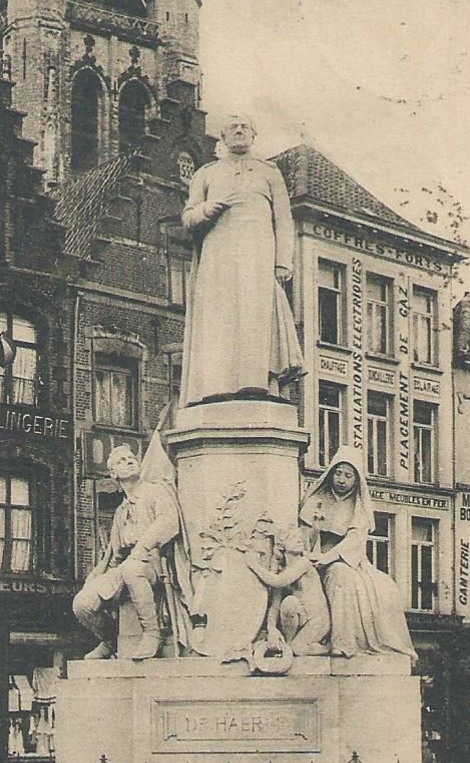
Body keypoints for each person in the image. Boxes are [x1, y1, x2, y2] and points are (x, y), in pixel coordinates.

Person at [179, 113, 303, 406]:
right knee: (220, 317)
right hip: (219, 255)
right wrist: (206, 210)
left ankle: (257, 381)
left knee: (254, 316)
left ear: (253, 135)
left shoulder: (269, 172)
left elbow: (284, 221)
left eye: (245, 126)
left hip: (257, 255)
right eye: (232, 127)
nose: (239, 131)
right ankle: (216, 383)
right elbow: (188, 216)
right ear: (222, 136)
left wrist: (283, 262)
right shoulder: (206, 173)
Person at [300, 447, 417, 660]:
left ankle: (342, 643)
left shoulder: (358, 507)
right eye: (338, 473)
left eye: (348, 475)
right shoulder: (316, 499)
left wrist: (327, 557)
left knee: (344, 576)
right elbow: (303, 532)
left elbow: (354, 541)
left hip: (343, 560)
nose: (342, 480)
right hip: (312, 555)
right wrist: (313, 544)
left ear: (356, 479)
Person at [72, 444, 181, 661]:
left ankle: (152, 633)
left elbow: (169, 521)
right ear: (114, 474)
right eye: (122, 460)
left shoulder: (155, 491)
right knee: (82, 602)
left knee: (132, 569)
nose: (130, 461)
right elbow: (114, 555)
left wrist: (142, 547)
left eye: (132, 458)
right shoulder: (120, 512)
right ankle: (110, 639)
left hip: (155, 562)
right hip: (127, 564)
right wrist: (96, 578)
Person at [245, 527, 330, 655]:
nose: (299, 540)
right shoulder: (284, 571)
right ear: (282, 545)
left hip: (317, 620)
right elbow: (275, 606)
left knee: (298, 648)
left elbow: (278, 581)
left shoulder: (303, 564)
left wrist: (254, 565)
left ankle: (327, 647)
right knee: (288, 604)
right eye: (293, 537)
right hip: (302, 617)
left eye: (300, 538)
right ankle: (288, 643)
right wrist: (271, 628)